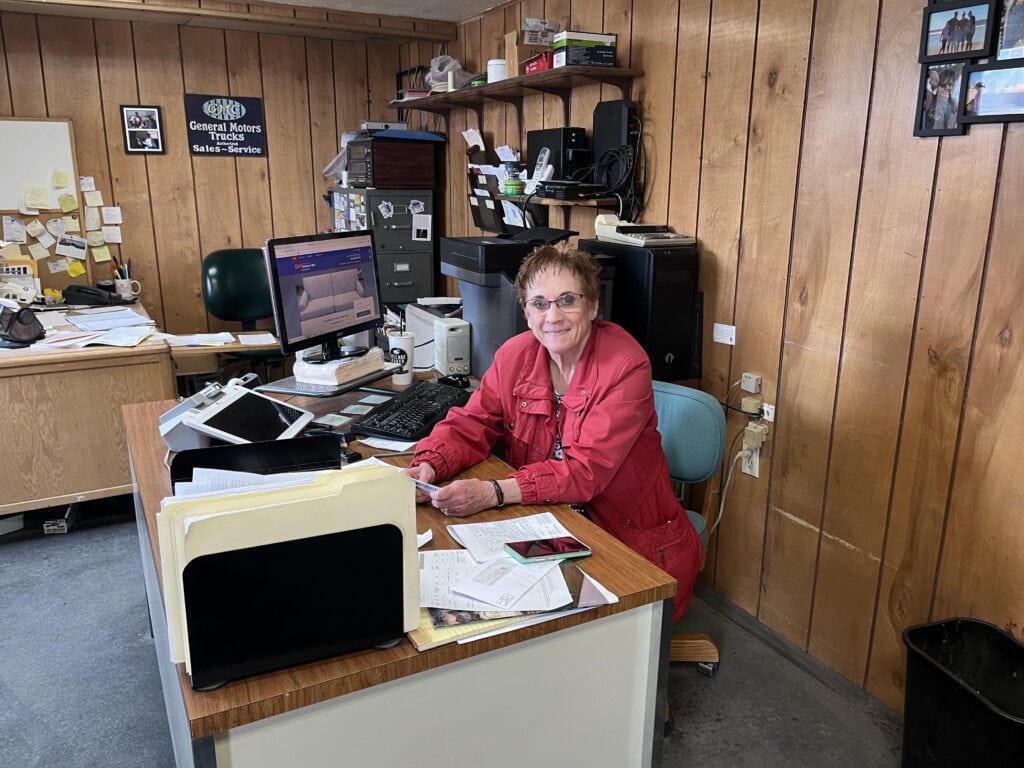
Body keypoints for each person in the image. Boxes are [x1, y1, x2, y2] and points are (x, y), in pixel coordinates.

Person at [402, 242, 702, 621]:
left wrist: (494, 491)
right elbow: (471, 422)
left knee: (540, 627)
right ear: (526, 312)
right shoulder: (515, 355)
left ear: (593, 306)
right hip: (547, 518)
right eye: (539, 303)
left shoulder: (625, 365)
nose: (553, 316)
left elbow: (584, 471)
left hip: (623, 538)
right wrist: (430, 464)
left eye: (567, 300)